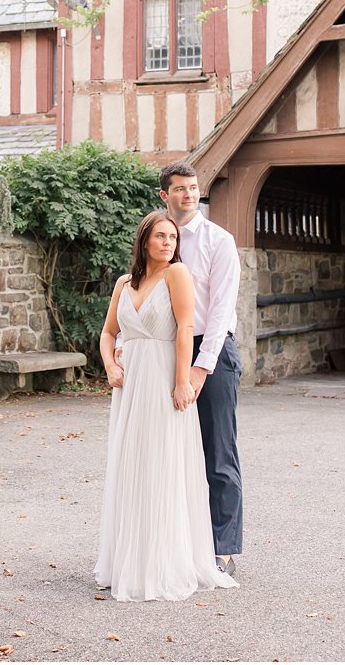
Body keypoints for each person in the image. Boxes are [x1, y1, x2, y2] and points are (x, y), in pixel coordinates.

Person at [93, 210, 239, 602]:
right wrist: (109, 365)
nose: (168, 244)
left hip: (162, 380)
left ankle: (162, 563)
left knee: (162, 464)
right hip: (130, 387)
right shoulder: (124, 283)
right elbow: (109, 333)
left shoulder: (178, 274)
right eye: (160, 237)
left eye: (173, 238)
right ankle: (130, 560)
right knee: (132, 464)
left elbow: (186, 329)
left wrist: (182, 382)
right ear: (144, 241)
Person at [158, 160, 243, 577]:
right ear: (165, 196)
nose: (189, 195)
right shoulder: (158, 239)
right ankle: (177, 543)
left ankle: (222, 549)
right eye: (180, 189)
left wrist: (199, 369)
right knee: (171, 452)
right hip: (166, 352)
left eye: (193, 188)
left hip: (212, 351)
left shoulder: (218, 241)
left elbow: (223, 311)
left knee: (218, 453)